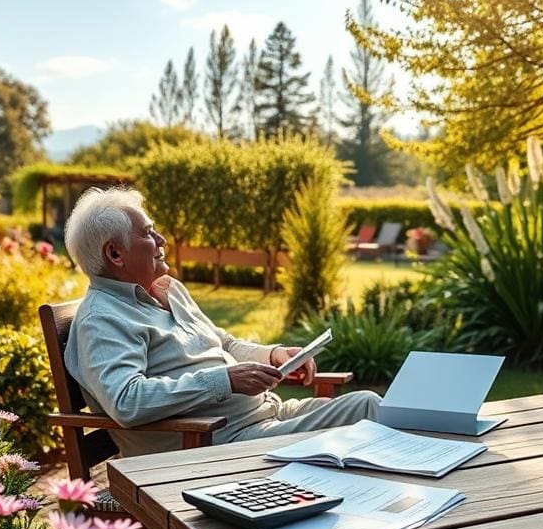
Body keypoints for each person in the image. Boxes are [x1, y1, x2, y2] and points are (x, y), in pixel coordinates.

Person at [62, 187, 380, 457]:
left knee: (368, 405)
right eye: (147, 233)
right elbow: (126, 400)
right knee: (360, 436)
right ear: (115, 254)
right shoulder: (102, 320)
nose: (161, 239)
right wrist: (225, 380)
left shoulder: (169, 290)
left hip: (266, 416)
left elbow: (222, 343)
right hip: (212, 445)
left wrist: (273, 355)